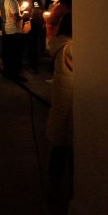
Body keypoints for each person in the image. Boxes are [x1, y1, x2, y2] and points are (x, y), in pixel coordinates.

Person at [46, 13, 73, 192]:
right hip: (70, 103)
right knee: (70, 149)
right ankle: (70, 190)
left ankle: (52, 188)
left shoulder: (59, 44)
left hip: (62, 102)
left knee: (59, 149)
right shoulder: (71, 48)